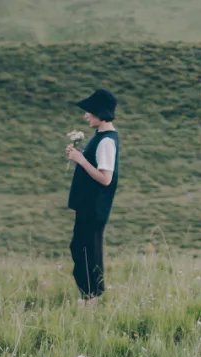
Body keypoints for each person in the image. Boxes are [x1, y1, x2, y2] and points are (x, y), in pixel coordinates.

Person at [65, 89, 119, 306]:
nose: (86, 116)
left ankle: (91, 299)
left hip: (94, 207)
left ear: (100, 113)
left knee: (88, 251)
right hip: (89, 206)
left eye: (89, 112)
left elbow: (106, 178)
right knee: (81, 247)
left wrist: (80, 159)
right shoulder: (101, 138)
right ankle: (88, 296)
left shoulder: (106, 141)